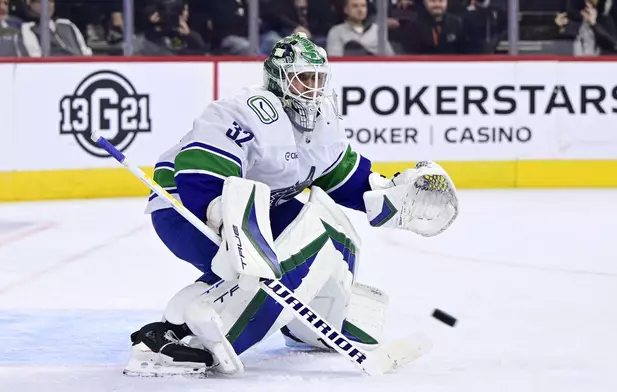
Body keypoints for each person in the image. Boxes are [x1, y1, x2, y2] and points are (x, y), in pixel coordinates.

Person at [124, 32, 459, 377]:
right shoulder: (248, 111)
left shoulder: (324, 122)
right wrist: (226, 220)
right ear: (278, 80)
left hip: (260, 209)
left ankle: (309, 326)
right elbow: (198, 168)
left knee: (334, 235)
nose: (312, 88)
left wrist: (388, 195)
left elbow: (344, 177)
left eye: (318, 79)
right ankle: (178, 338)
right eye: (303, 78)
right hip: (188, 209)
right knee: (295, 254)